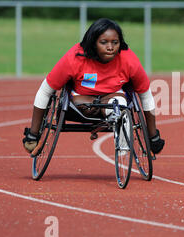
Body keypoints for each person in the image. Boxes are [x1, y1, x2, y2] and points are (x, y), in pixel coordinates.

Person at [23, 18, 165, 155]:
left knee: (120, 105)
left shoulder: (129, 59)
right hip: (81, 102)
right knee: (92, 105)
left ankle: (123, 143)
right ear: (93, 43)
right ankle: (111, 118)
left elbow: (145, 95)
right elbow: (45, 91)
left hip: (113, 97)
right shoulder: (75, 57)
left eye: (115, 42)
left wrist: (153, 136)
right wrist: (33, 134)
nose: (110, 47)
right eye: (104, 42)